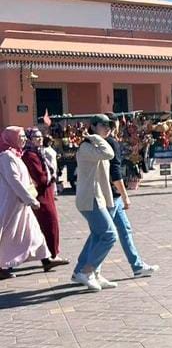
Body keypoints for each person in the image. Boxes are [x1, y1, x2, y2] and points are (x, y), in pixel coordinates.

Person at [105, 118, 159, 278]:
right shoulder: (111, 143)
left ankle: (137, 266)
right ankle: (85, 268)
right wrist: (125, 196)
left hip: (113, 195)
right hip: (111, 195)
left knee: (124, 229)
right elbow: (115, 173)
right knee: (102, 235)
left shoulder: (104, 143)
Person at [71, 114, 118, 292]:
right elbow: (109, 154)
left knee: (97, 236)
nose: (108, 129)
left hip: (99, 198)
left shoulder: (95, 146)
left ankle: (86, 272)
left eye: (109, 126)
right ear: (93, 126)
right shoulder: (86, 147)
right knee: (109, 235)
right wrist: (94, 137)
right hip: (89, 198)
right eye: (103, 125)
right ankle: (87, 271)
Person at [0, 126, 51, 280]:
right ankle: (2, 266)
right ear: (11, 138)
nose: (23, 139)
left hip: (21, 203)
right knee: (7, 233)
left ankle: (46, 258)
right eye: (20, 136)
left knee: (33, 231)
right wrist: (30, 199)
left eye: (24, 136)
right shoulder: (6, 157)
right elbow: (14, 181)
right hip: (11, 203)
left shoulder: (16, 154)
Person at [21, 127, 69, 271]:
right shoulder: (30, 155)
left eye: (40, 136)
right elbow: (41, 178)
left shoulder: (38, 152)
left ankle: (49, 256)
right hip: (40, 194)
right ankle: (50, 256)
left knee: (48, 224)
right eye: (36, 137)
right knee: (49, 223)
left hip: (46, 193)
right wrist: (51, 177)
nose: (40, 139)